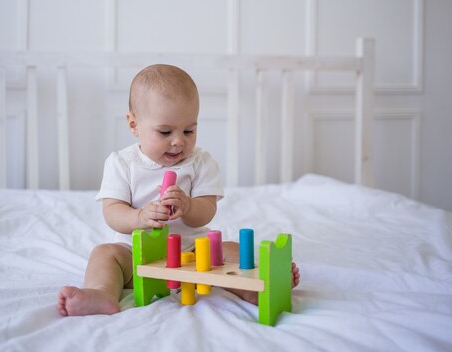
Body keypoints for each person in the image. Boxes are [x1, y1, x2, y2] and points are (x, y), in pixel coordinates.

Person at [58, 64, 299, 316]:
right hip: (138, 256)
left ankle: (257, 284)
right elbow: (112, 212)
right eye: (165, 132)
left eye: (189, 130)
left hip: (194, 254)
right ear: (134, 124)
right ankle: (103, 293)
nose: (178, 141)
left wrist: (188, 206)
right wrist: (139, 217)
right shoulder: (122, 163)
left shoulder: (200, 163)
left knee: (230, 250)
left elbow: (207, 211)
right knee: (104, 254)